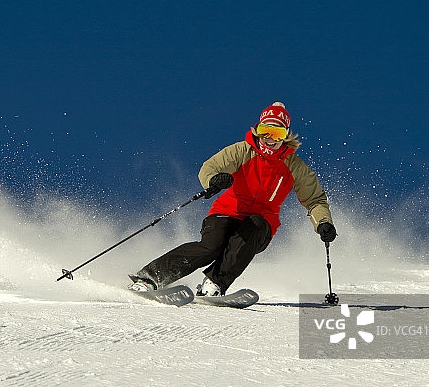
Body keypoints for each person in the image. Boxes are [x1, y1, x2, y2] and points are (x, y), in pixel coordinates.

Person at [128, 102, 337, 296]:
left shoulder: (294, 166)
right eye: (266, 132)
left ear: (286, 136)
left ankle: (215, 283)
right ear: (257, 130)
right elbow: (210, 168)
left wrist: (323, 222)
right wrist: (214, 180)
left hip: (261, 224)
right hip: (226, 212)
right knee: (211, 247)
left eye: (277, 133)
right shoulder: (242, 151)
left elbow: (315, 200)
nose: (270, 139)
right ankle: (149, 278)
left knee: (252, 228)